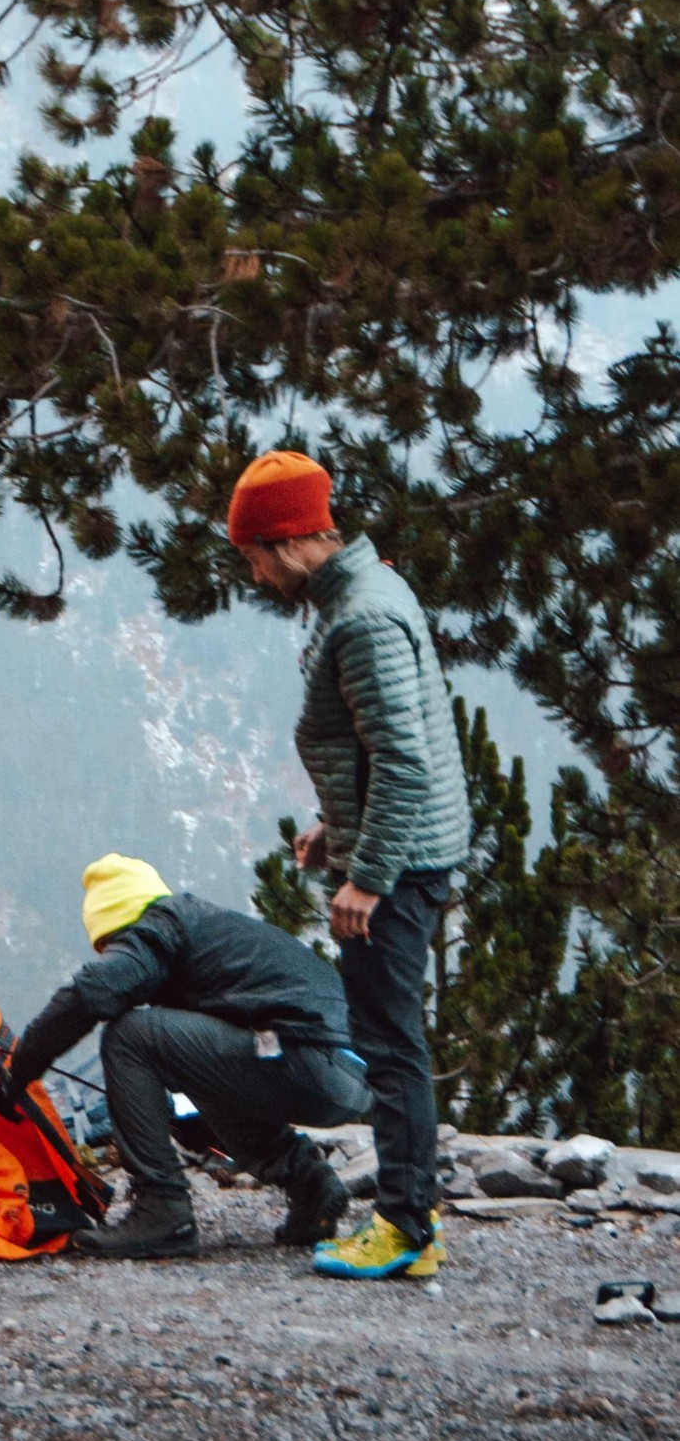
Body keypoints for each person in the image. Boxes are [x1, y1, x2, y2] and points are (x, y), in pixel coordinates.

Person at [228, 448, 470, 1281]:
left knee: (388, 1046)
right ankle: (411, 1220)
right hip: (402, 844)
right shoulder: (368, 590)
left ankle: (405, 1227)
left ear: (288, 541)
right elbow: (371, 744)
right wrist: (333, 827)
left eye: (254, 556)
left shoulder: (359, 617)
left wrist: (366, 875)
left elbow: (400, 758)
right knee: (389, 1038)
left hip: (399, 863)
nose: (255, 575)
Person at [0, 852, 373, 1259]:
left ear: (118, 923)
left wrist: (18, 1073)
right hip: (350, 1074)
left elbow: (90, 994)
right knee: (188, 1062)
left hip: (307, 1058)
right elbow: (213, 1052)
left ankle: (162, 1209)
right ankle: (311, 1185)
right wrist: (196, 1117)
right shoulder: (204, 932)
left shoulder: (156, 928)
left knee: (129, 1035)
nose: (112, 955)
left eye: (110, 947)